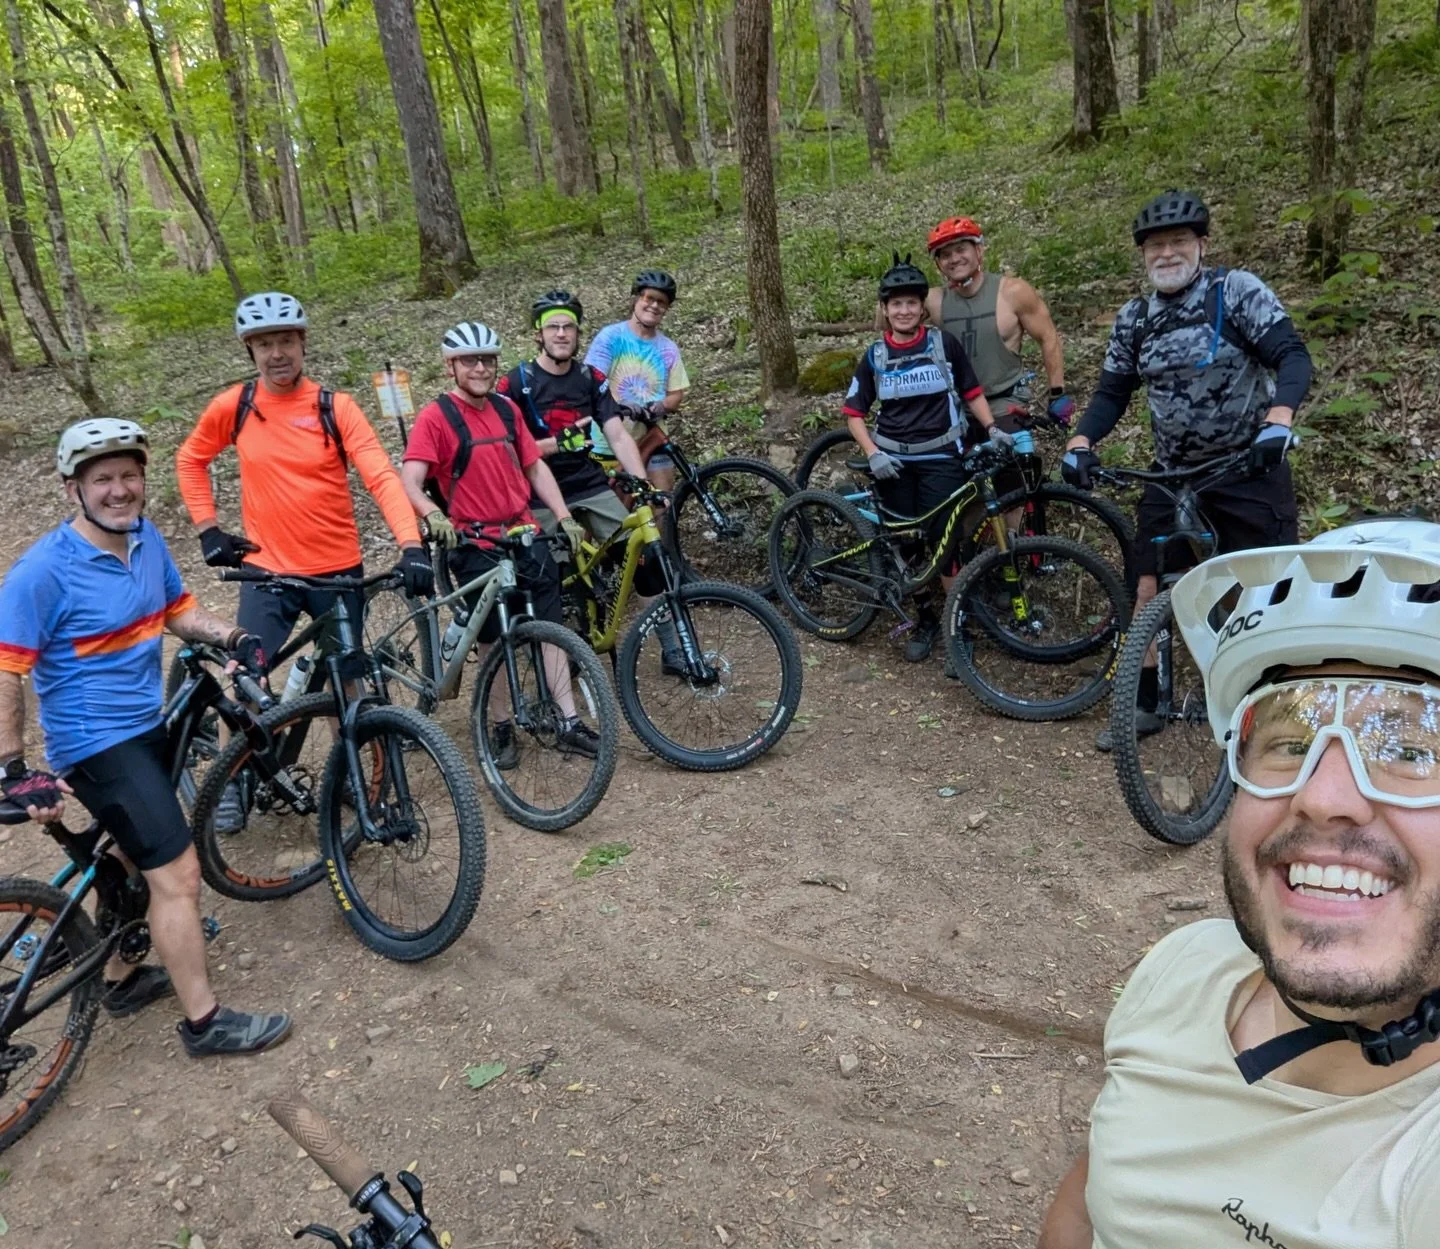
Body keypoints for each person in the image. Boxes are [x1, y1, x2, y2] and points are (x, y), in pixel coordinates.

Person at [1038, 518, 1440, 1249]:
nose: (1324, 795)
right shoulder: (1185, 967)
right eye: (1289, 739)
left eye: (1410, 746)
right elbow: (1099, 1191)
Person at [0, 420, 292, 1056]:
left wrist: (232, 638)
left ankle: (119, 978)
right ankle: (204, 1024)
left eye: (128, 475)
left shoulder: (145, 539)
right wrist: (13, 767)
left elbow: (177, 610)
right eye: (102, 478)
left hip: (144, 726)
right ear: (72, 488)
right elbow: (7, 669)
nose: (118, 489)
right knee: (179, 875)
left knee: (133, 860)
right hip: (96, 744)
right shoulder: (42, 572)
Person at [1060, 190, 1312, 751]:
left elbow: (1292, 356)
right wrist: (1081, 439)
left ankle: (1277, 711)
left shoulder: (1235, 293)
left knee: (1268, 589)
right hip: (1173, 473)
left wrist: (1278, 418)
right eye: (1156, 246)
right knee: (1146, 584)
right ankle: (1147, 699)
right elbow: (1111, 392)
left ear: (1202, 244)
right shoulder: (1136, 318)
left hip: (1248, 465)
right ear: (1144, 255)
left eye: (1178, 242)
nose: (1167, 253)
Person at [177, 292, 433, 824]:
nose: (277, 353)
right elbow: (191, 459)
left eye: (286, 341)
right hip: (268, 572)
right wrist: (209, 530)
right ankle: (228, 782)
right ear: (251, 350)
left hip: (338, 573)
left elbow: (381, 476)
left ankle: (351, 779)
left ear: (302, 343)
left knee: (348, 682)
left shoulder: (334, 407)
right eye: (265, 343)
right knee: (248, 675)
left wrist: (409, 543)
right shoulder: (237, 406)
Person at [399, 321, 598, 766]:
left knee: (552, 626)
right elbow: (410, 479)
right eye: (470, 360)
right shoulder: (437, 417)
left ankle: (567, 720)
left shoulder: (507, 410)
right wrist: (432, 514)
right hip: (472, 539)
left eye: (487, 359)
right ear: (451, 367)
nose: (481, 368)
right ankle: (501, 724)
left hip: (522, 529)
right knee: (492, 637)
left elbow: (534, 467)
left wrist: (562, 515)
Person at [842, 254, 1005, 663]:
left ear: (922, 307)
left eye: (911, 303)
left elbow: (971, 391)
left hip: (942, 458)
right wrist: (873, 453)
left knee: (944, 544)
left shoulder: (941, 343)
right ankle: (926, 618)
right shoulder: (875, 355)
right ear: (885, 309)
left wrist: (992, 428)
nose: (904, 310)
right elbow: (853, 414)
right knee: (907, 547)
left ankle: (957, 630)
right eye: (895, 304)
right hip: (894, 463)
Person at [496, 288, 648, 543]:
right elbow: (503, 450)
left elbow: (618, 435)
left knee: (636, 551)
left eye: (569, 327)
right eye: (552, 326)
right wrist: (555, 444)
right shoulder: (514, 383)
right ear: (539, 335)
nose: (561, 333)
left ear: (578, 333)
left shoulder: (591, 378)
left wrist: (643, 483)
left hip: (587, 483)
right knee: (554, 575)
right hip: (537, 493)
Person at [922, 215, 1075, 432]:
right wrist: (898, 287)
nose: (954, 259)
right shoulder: (934, 300)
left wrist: (1057, 393)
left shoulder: (1012, 292)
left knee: (1011, 461)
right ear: (938, 264)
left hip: (1005, 403)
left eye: (961, 250)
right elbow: (889, 322)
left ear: (979, 250)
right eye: (945, 255)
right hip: (957, 406)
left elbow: (1048, 336)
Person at [583, 269, 689, 493]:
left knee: (662, 505)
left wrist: (661, 406)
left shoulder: (668, 348)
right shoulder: (610, 337)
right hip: (609, 442)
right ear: (636, 299)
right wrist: (619, 407)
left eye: (661, 302)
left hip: (652, 438)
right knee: (611, 519)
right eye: (649, 298)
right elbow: (592, 383)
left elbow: (676, 394)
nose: (654, 306)